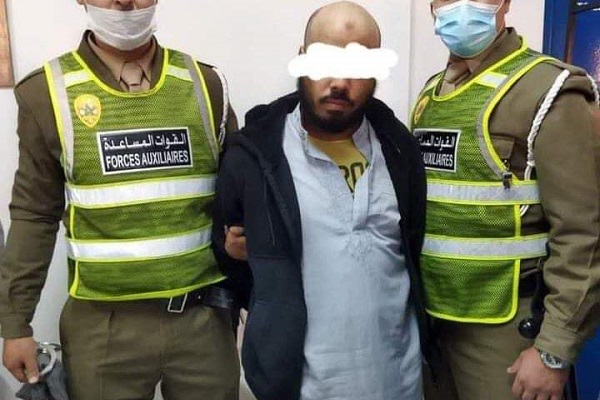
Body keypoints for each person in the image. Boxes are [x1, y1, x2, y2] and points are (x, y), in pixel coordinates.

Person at [0, 1, 241, 399]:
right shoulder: (46, 93)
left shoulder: (206, 84)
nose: (124, 1)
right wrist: (16, 323)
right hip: (102, 330)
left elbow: (239, 195)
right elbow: (34, 215)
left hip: (202, 320)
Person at [213, 2, 431, 400]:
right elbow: (229, 259)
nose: (339, 82)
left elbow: (413, 248)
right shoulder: (253, 157)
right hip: (300, 387)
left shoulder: (400, 150)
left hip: (399, 380)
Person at [411, 1, 600, 399]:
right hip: (435, 323)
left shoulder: (549, 89)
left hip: (507, 332)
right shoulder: (431, 94)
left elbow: (585, 232)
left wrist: (553, 350)